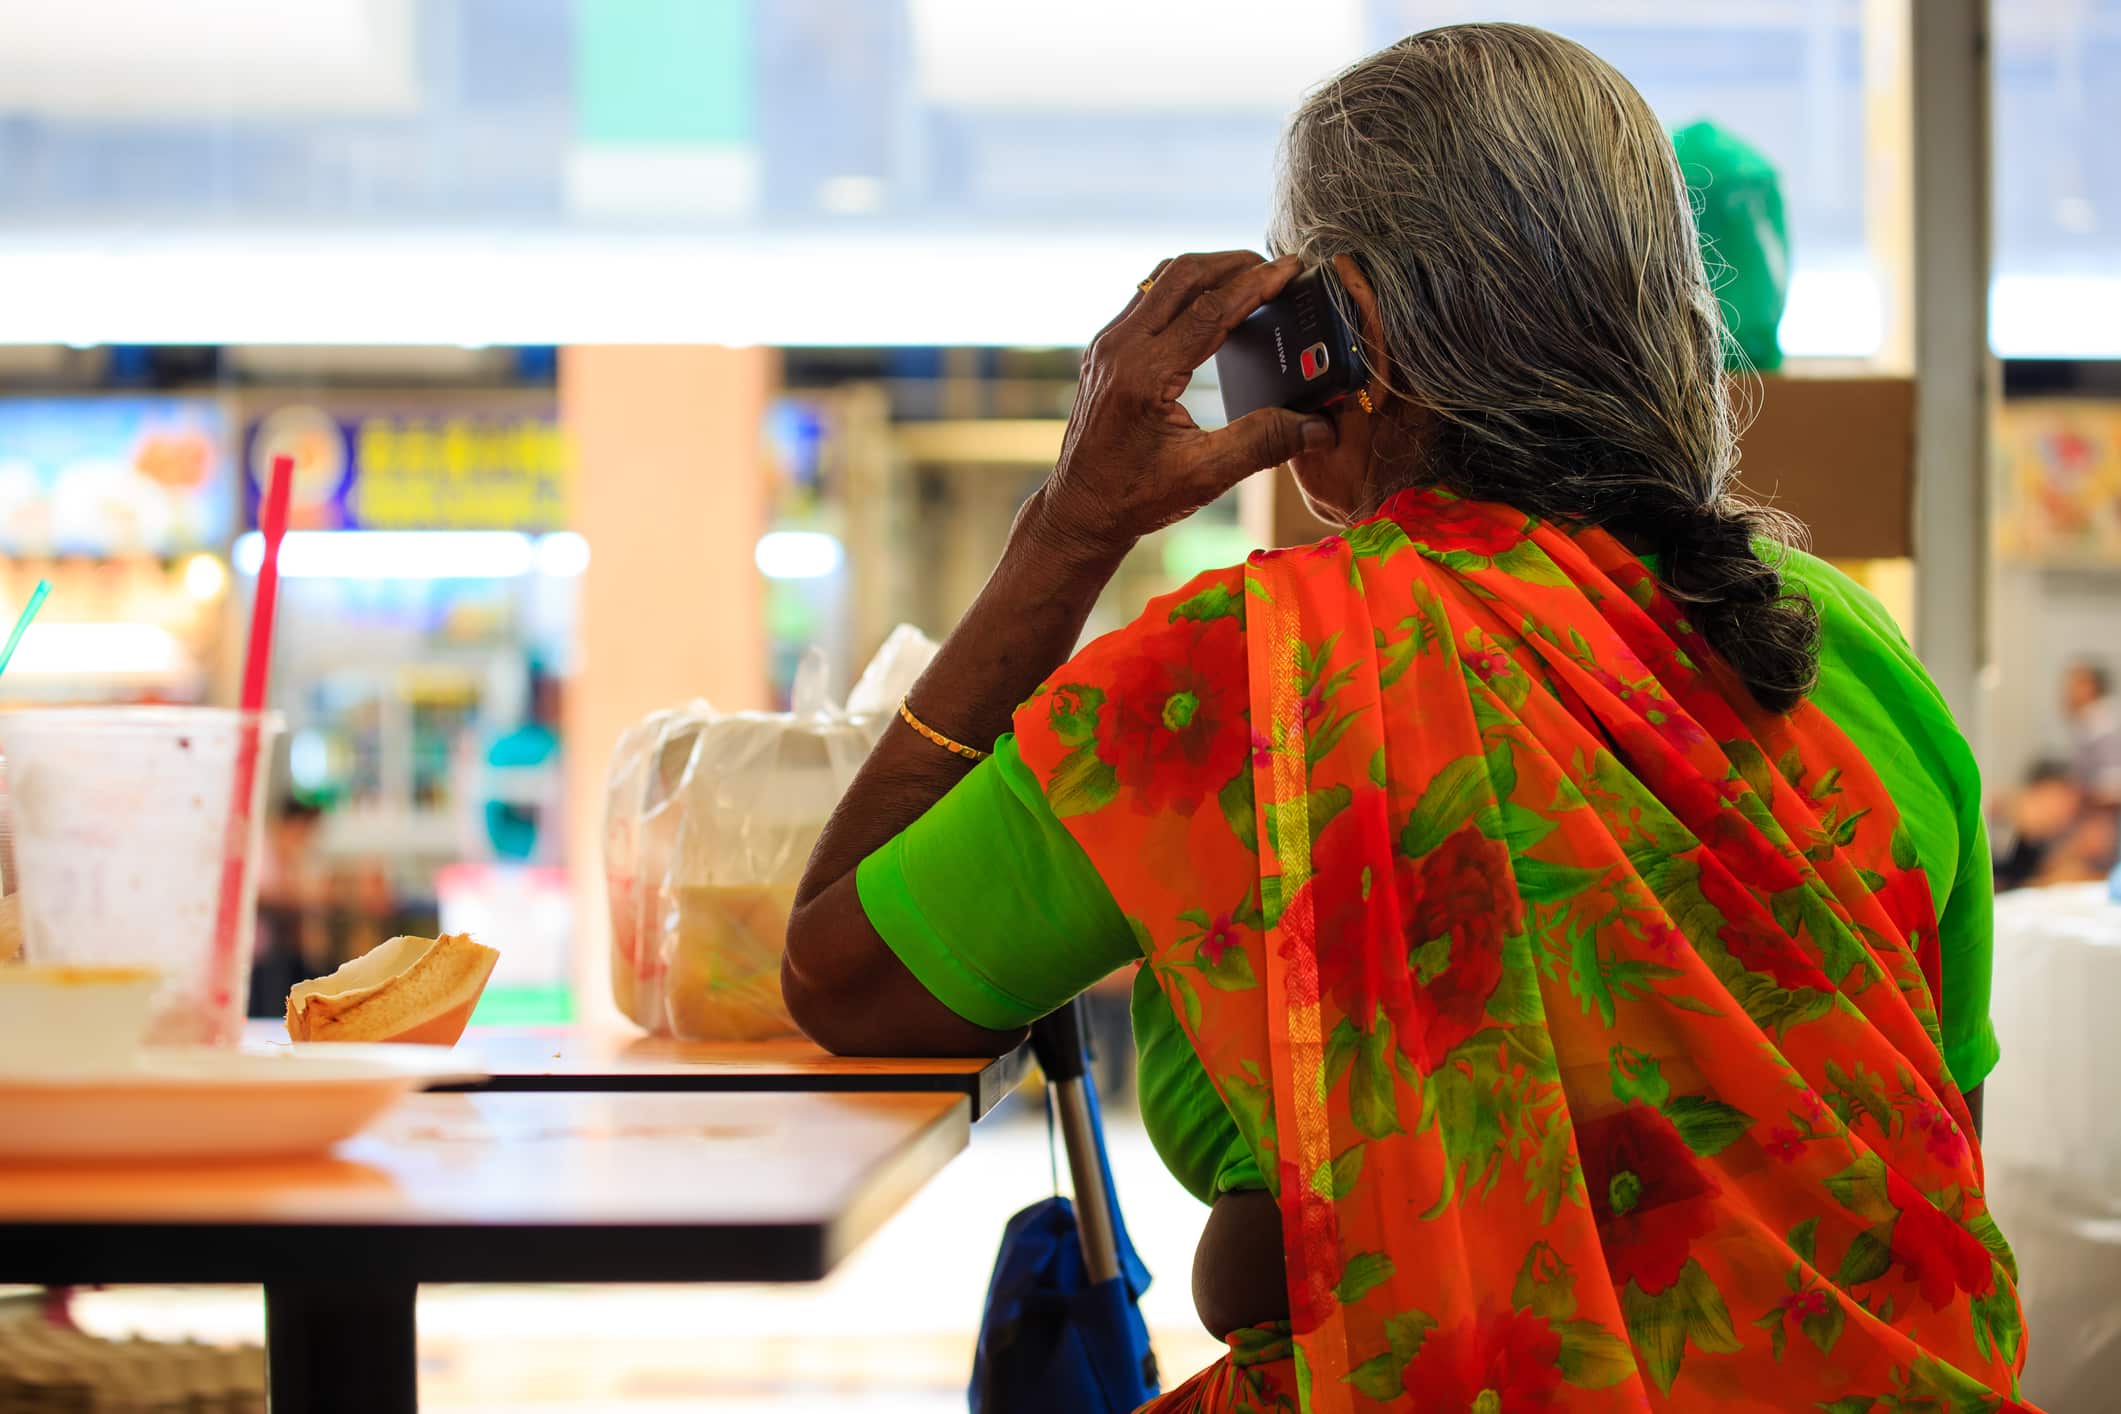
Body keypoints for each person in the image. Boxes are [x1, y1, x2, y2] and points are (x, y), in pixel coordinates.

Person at [783, 24, 2029, 1411]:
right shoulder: (1840, 645)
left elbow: (841, 980)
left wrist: (1069, 529)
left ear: (1338, 342)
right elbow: (1917, 1157)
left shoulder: (1240, 679)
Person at [2062, 660, 2121, 808]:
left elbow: (2112, 791)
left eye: (2074, 685)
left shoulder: (2102, 730)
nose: (2067, 692)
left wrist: (2071, 798)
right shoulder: (2088, 728)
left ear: (2091, 688)